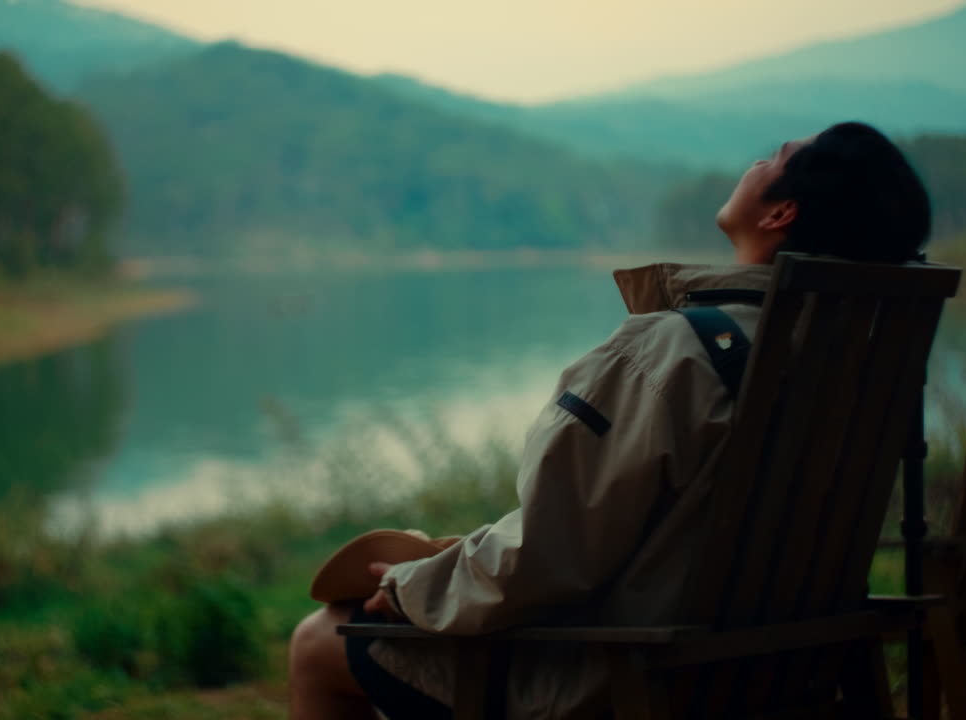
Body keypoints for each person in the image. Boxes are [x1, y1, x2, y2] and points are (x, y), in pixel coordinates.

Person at [287, 121, 933, 719]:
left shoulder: (678, 352)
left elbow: (550, 553)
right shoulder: (856, 362)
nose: (758, 161)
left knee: (320, 639)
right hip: (789, 668)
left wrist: (413, 586)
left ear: (779, 213)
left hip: (639, 676)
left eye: (774, 159)